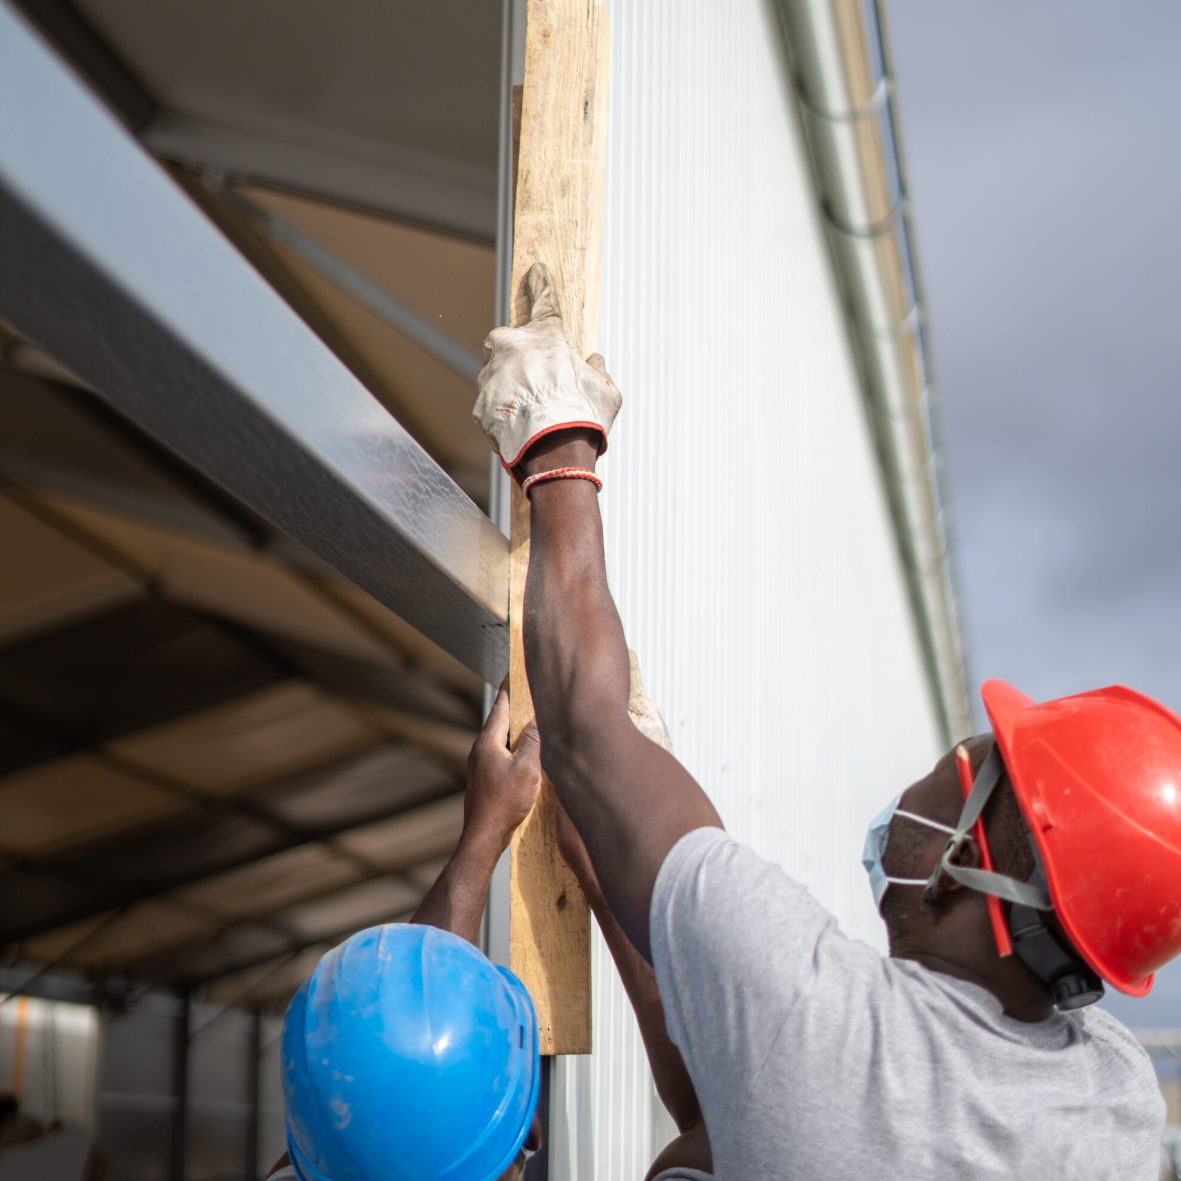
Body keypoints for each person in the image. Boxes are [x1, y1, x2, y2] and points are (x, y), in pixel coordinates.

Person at [470, 261, 1181, 1179]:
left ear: (972, 867)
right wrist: (606, 872)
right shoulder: (1115, 1103)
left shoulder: (831, 1022)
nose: (926, 783)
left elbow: (583, 725)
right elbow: (747, 1092)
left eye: (963, 763)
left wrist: (558, 436)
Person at [268, 677, 708, 1181]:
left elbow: (344, 1127)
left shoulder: (334, 1155)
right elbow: (718, 1127)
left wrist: (486, 828)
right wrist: (608, 875)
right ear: (532, 1135)